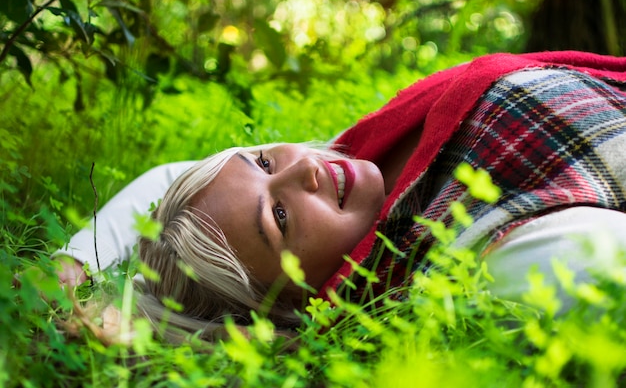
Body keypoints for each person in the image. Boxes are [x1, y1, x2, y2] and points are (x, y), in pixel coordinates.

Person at [54, 51, 626, 338]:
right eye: (278, 216)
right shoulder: (475, 262)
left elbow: (166, 179)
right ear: (289, 306)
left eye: (263, 160)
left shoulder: (359, 154)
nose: (303, 168)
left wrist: (72, 263)